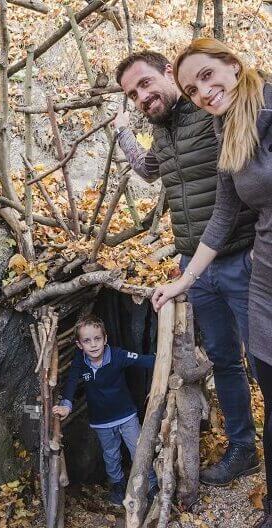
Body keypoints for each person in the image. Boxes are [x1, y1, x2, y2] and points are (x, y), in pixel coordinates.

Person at [113, 50, 259, 486]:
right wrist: (124, 135)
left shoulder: (211, 115)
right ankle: (243, 449)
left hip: (242, 257)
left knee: (262, 357)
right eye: (132, 94)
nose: (141, 97)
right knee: (224, 359)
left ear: (168, 73)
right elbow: (147, 171)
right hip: (194, 266)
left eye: (145, 83)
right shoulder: (161, 132)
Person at [152, 37, 271, 527]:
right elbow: (224, 211)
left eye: (206, 75)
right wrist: (185, 279)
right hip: (266, 269)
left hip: (247, 264)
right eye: (192, 87)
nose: (203, 91)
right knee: (261, 373)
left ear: (231, 63)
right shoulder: (229, 128)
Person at [52, 315, 157, 506]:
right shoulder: (80, 362)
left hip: (126, 416)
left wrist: (166, 357)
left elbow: (143, 361)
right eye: (87, 340)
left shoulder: (117, 355)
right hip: (101, 421)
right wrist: (67, 404)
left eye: (97, 339)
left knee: (139, 451)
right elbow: (72, 382)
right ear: (79, 344)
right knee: (111, 454)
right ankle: (117, 485)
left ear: (105, 339)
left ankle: (151, 485)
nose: (93, 345)